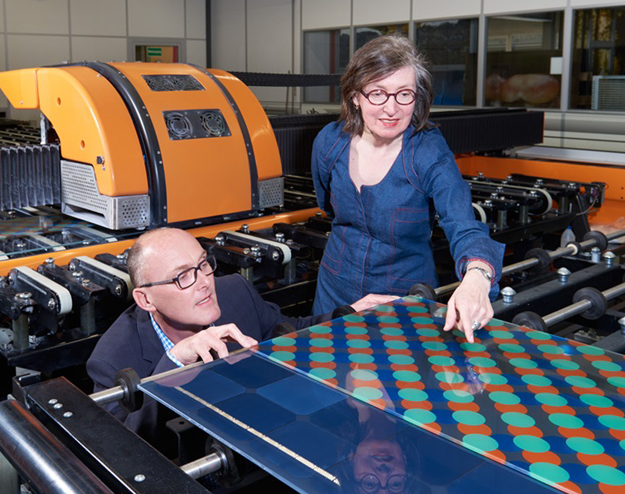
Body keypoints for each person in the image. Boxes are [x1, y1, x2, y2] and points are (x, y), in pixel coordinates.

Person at [86, 227, 394, 444]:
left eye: (203, 265)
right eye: (183, 277)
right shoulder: (112, 358)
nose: (204, 282)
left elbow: (290, 331)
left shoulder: (235, 292)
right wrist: (175, 363)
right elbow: (120, 447)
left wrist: (348, 316)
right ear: (145, 300)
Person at [311, 35, 504, 343]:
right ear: (354, 96)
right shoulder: (329, 143)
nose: (391, 109)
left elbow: (464, 226)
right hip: (335, 291)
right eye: (377, 93)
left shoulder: (428, 152)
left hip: (403, 300)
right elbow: (329, 206)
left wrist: (477, 278)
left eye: (404, 94)